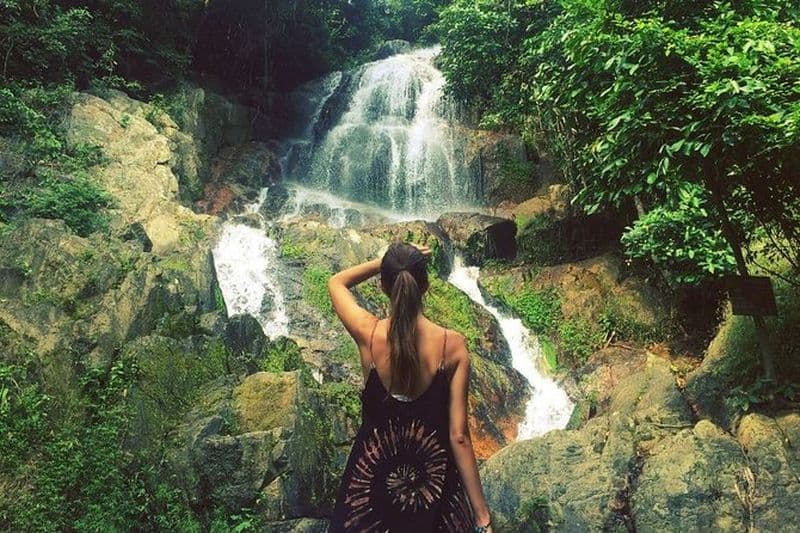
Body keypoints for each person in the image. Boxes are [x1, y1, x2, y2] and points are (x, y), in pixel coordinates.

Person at [327, 242, 493, 533]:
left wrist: (384, 261)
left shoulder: (368, 333)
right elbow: (459, 436)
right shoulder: (452, 346)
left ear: (383, 287)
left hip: (368, 494)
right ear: (426, 286)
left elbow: (336, 282)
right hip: (431, 496)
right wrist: (482, 517)